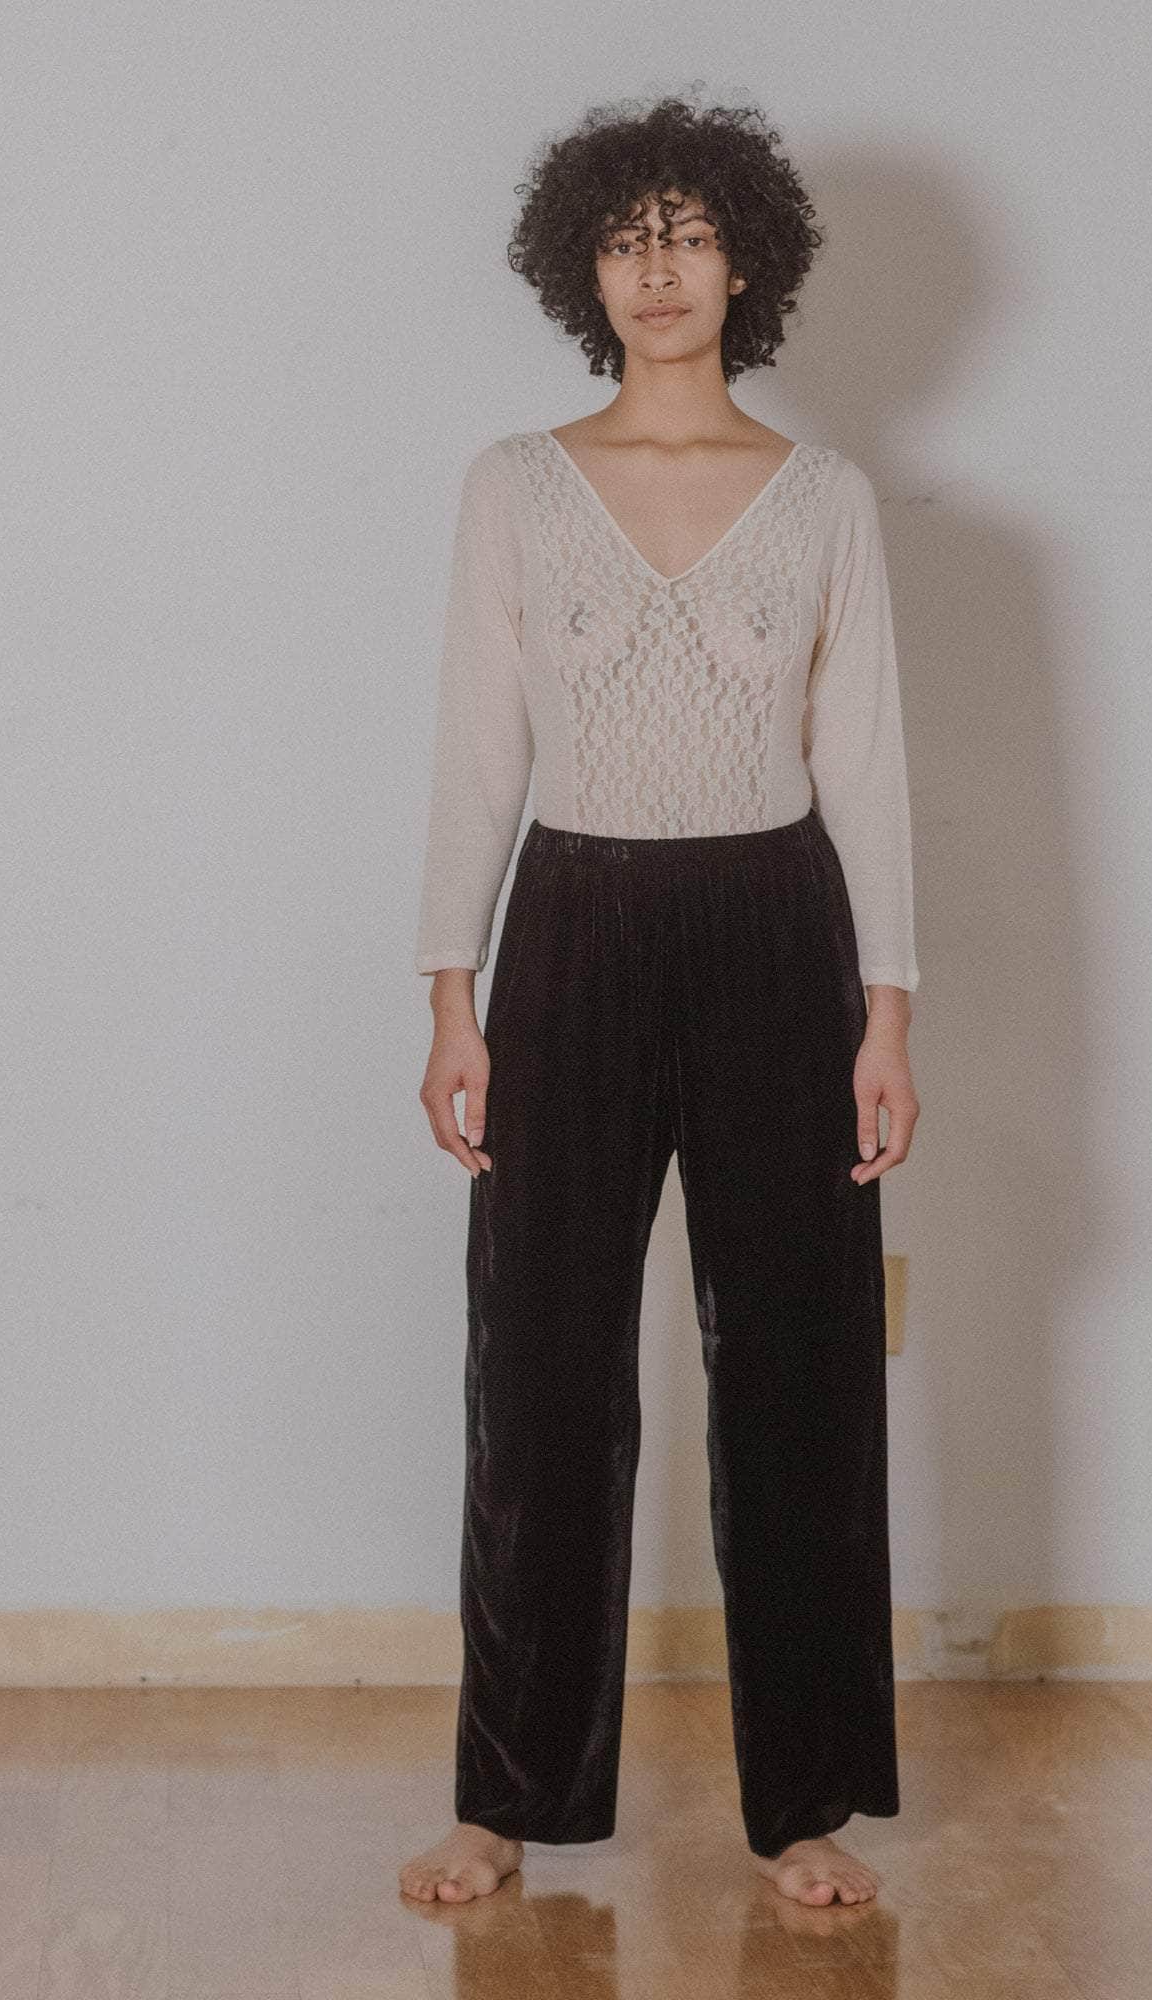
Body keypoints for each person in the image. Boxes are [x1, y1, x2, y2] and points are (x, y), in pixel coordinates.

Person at [401, 92, 921, 1910]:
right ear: (584, 271)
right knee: (539, 1366)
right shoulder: (515, 483)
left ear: (745, 259)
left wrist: (888, 1011)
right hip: (570, 933)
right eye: (626, 239)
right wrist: (452, 992)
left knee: (799, 1370)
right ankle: (506, 1795)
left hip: (780, 934)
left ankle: (807, 1804)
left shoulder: (828, 497)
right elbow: (477, 744)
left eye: (689, 233)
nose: (659, 268)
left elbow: (866, 764)